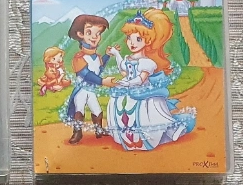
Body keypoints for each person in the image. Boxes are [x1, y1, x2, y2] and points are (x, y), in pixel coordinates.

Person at [104, 9, 194, 151]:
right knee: (116, 101)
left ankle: (163, 132)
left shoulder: (147, 62)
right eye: (130, 38)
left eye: (138, 39)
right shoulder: (128, 58)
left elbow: (141, 79)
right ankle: (126, 135)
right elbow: (123, 69)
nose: (132, 43)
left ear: (148, 41)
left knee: (148, 110)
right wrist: (116, 54)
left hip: (143, 91)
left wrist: (128, 83)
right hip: (128, 88)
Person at [65, 15, 110, 143]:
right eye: (89, 32)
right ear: (80, 34)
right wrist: (102, 81)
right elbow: (86, 74)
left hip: (91, 90)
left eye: (98, 33)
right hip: (81, 90)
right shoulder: (79, 58)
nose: (95, 37)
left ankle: (99, 130)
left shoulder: (97, 57)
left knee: (97, 110)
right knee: (79, 110)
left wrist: (107, 55)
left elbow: (99, 68)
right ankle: (77, 133)